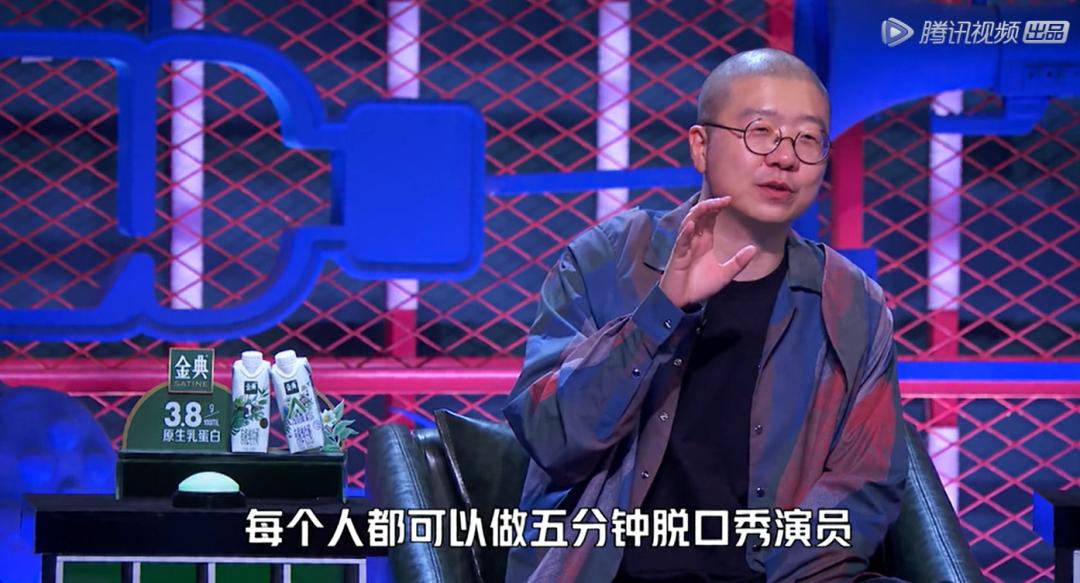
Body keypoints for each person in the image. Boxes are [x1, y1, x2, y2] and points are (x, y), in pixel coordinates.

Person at [502, 47, 908, 582]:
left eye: (808, 139)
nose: (785, 158)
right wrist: (661, 312)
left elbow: (866, 483)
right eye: (760, 132)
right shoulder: (605, 261)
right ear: (700, 146)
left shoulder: (853, 303)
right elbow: (552, 437)